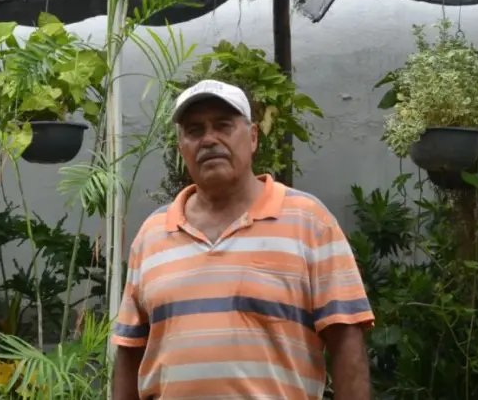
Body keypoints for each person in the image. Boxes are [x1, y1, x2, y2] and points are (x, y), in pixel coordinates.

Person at [111, 80, 374, 400]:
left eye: (223, 125)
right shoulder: (152, 235)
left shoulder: (309, 222)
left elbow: (346, 338)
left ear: (251, 138)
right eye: (194, 131)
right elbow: (129, 352)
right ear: (182, 148)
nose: (209, 140)